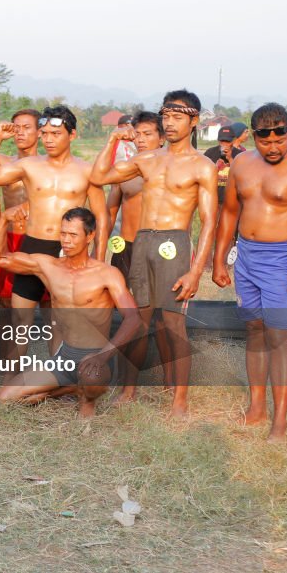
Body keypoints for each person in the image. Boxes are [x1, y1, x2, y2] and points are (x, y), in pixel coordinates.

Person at [90, 89, 217, 418]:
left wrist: (195, 270)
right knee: (138, 320)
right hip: (142, 240)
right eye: (167, 116)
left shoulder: (202, 166)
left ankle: (179, 401)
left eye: (177, 117)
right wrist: (112, 141)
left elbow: (209, 222)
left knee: (174, 324)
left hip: (175, 243)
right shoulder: (146, 159)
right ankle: (128, 391)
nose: (170, 123)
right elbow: (99, 177)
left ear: (194, 122)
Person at [0, 105, 108, 363]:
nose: (48, 139)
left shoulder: (86, 171)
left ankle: (61, 378)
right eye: (45, 133)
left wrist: (98, 259)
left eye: (55, 134)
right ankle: (14, 379)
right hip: (31, 247)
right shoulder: (29, 165)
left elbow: (101, 217)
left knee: (59, 321)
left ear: (72, 136)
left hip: (66, 251)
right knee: (19, 318)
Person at [213, 103, 287, 442]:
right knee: (254, 329)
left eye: (279, 140)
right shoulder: (241, 163)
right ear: (254, 137)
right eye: (266, 141)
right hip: (247, 257)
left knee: (278, 336)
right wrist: (218, 259)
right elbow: (228, 213)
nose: (273, 148)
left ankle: (279, 423)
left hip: (283, 258)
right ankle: (257, 408)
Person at [0, 207, 141, 418]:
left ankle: (84, 392)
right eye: (63, 233)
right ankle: (65, 389)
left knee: (88, 390)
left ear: (90, 236)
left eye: (73, 235)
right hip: (64, 358)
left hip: (96, 357)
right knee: (5, 396)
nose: (66, 240)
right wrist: (3, 219)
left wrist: (102, 357)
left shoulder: (107, 274)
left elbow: (133, 319)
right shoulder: (49, 266)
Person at [106, 111, 164, 403]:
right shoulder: (125, 168)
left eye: (148, 134)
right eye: (138, 134)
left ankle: (130, 388)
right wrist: (97, 250)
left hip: (152, 248)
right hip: (123, 247)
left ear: (162, 137)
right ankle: (110, 376)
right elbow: (110, 211)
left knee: (142, 320)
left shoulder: (169, 167)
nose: (141, 139)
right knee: (121, 316)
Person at [0, 109, 41, 340]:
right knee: (6, 302)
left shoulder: (48, 166)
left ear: (39, 132)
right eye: (16, 127)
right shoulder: (5, 163)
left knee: (48, 301)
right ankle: (6, 361)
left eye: (27, 127)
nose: (21, 133)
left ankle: (57, 363)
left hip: (38, 238)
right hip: (8, 237)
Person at [203, 125, 240, 205]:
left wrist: (230, 158)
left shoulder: (240, 155)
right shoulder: (210, 152)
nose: (224, 144)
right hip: (213, 198)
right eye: (222, 141)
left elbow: (241, 175)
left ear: (233, 141)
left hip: (233, 199)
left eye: (228, 141)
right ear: (218, 140)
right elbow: (203, 174)